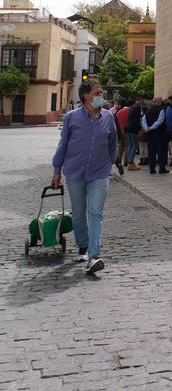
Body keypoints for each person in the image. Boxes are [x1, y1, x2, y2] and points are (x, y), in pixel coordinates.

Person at [51, 78, 117, 275]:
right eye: (97, 93)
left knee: (96, 212)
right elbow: (63, 145)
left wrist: (109, 163)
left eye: (101, 93)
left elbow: (113, 142)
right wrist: (57, 170)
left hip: (100, 172)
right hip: (75, 171)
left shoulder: (108, 117)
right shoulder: (71, 118)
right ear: (85, 96)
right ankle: (83, 246)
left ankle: (94, 255)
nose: (101, 96)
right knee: (79, 212)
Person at [142, 96, 168, 174]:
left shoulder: (148, 110)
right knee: (161, 151)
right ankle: (161, 168)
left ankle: (152, 169)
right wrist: (152, 127)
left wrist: (146, 128)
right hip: (159, 133)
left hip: (150, 134)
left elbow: (143, 120)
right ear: (160, 102)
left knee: (151, 151)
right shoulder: (162, 110)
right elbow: (160, 121)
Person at [125, 94, 144, 170]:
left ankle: (129, 162)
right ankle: (130, 162)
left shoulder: (132, 107)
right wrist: (139, 129)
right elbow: (137, 119)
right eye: (143, 99)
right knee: (135, 145)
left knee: (130, 145)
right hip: (133, 129)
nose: (143, 101)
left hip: (129, 128)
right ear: (140, 99)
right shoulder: (137, 107)